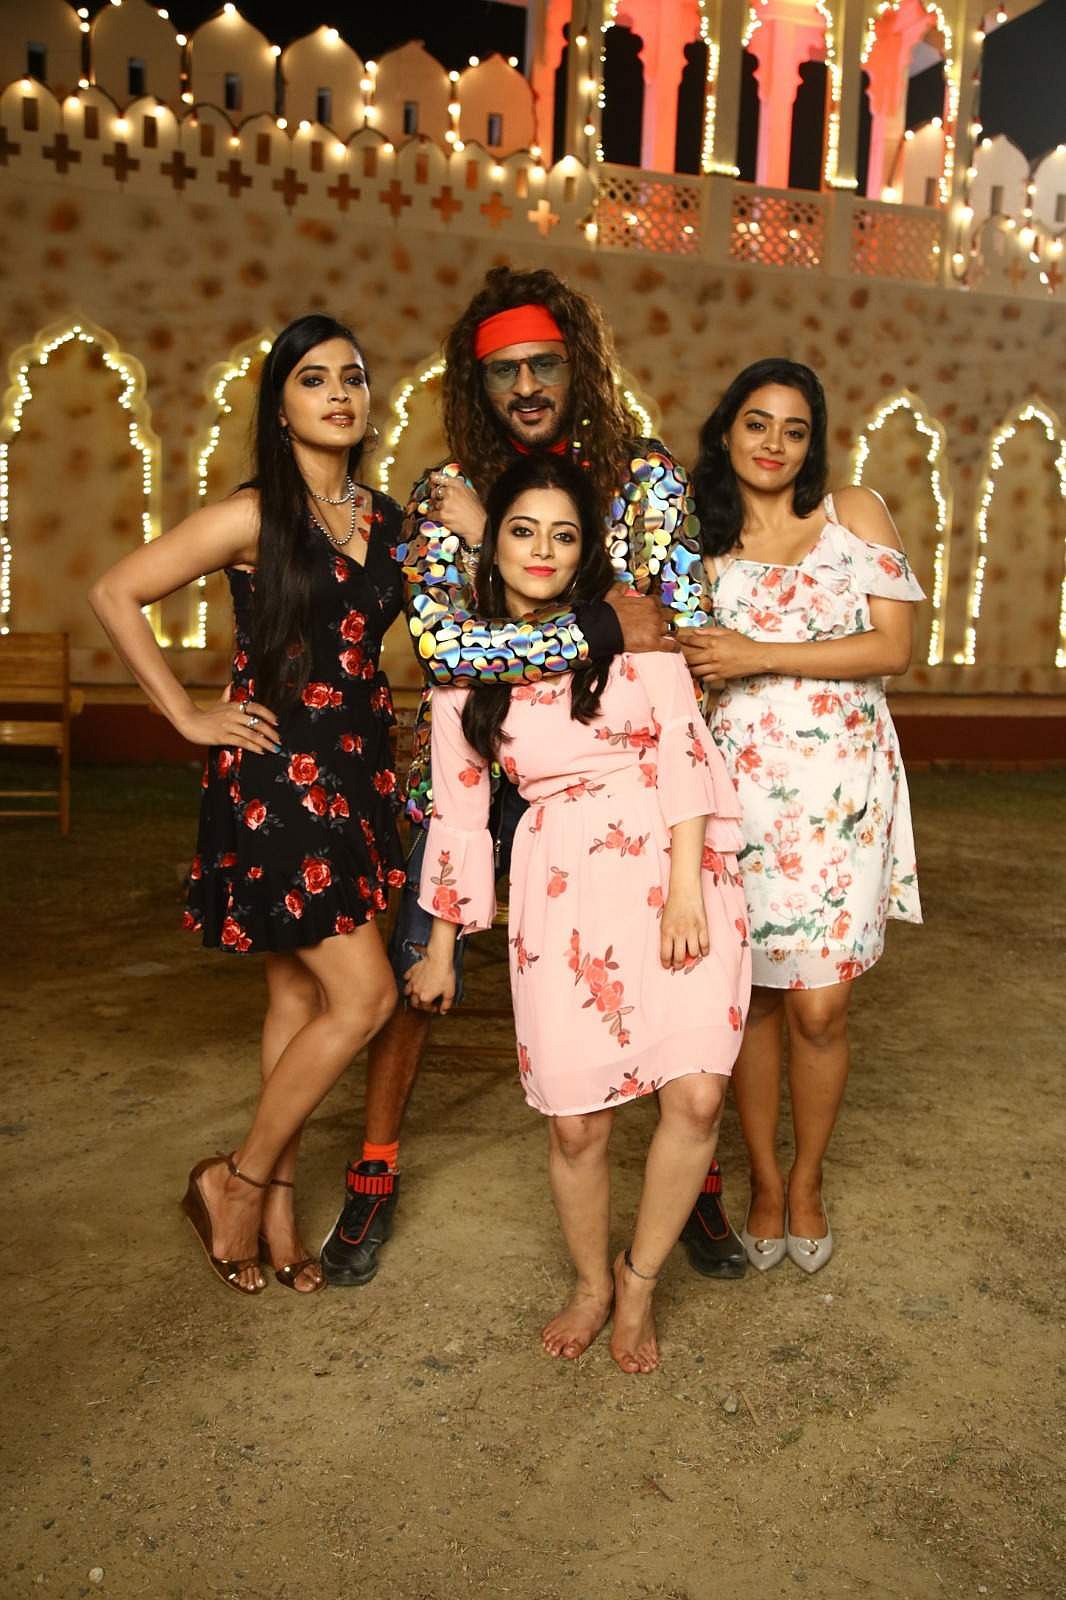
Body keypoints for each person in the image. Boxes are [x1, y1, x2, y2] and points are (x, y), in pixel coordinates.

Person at [320, 265, 748, 1288]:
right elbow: (444, 647)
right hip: (483, 744)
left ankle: (697, 1182)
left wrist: (515, 571)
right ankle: (375, 1166)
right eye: (502, 370)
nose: (524, 386)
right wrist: (593, 614)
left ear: (577, 366)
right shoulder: (444, 491)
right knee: (420, 962)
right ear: (477, 383)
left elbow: (673, 633)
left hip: (618, 747)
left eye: (543, 365)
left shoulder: (644, 477)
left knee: (678, 960)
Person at [405, 453, 751, 1372]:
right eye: (523, 531)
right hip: (561, 884)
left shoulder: (630, 629)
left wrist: (685, 891)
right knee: (575, 1121)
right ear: (493, 545)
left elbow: (683, 750)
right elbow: (460, 814)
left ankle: (638, 1282)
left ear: (584, 549)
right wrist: (440, 945)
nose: (542, 551)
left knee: (697, 1093)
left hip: (677, 866)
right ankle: (591, 1282)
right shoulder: (465, 671)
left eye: (563, 535)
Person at [89, 313, 408, 1295]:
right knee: (366, 998)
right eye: (314, 379)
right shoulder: (253, 515)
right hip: (280, 774)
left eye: (352, 377)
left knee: (298, 998)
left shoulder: (391, 520)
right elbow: (115, 591)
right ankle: (234, 1179)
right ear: (279, 406)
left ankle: (275, 1214)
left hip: (361, 774)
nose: (338, 394)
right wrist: (185, 714)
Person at [679, 358, 924, 1274]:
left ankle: (810, 1178)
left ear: (813, 442)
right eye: (757, 423)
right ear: (727, 431)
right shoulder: (698, 538)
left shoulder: (852, 514)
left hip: (841, 793)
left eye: (794, 428)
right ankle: (766, 1182)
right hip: (739, 791)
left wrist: (757, 651)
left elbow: (893, 647)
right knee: (754, 1001)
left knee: (821, 1006)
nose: (774, 444)